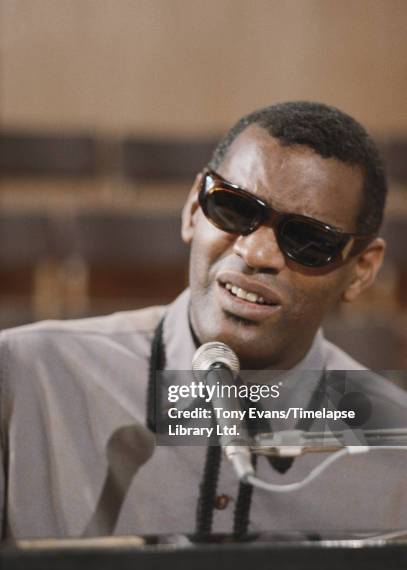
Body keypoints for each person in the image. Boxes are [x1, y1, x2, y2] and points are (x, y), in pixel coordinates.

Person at [1, 101, 406, 541]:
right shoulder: (25, 377)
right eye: (233, 208)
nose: (255, 254)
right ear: (194, 207)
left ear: (362, 269)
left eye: (308, 240)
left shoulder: (395, 444)